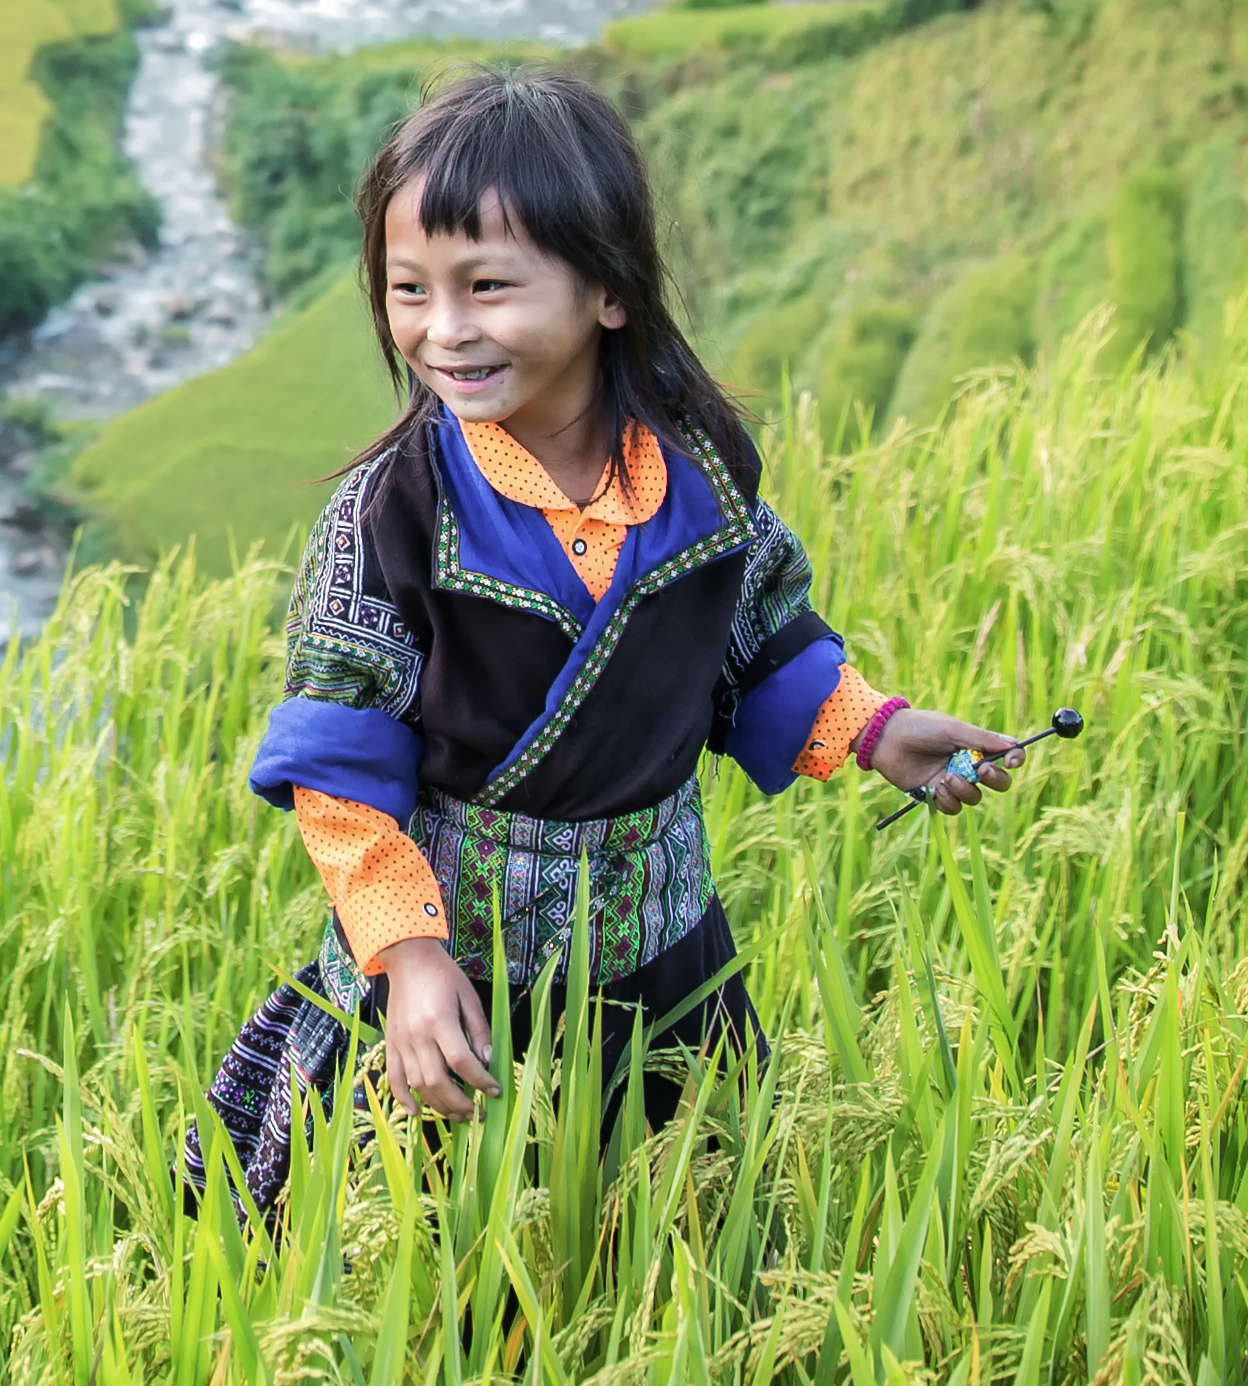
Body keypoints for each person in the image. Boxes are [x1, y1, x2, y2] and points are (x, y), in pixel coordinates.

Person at [197, 61, 1022, 1219]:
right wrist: (410, 962)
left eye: (486, 286)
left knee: (677, 1232)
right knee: (436, 1246)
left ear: (608, 291)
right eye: (407, 290)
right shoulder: (391, 512)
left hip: (661, 960)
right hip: (458, 967)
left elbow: (759, 642)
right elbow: (341, 771)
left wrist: (876, 731)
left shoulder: (700, 479)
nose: (443, 331)